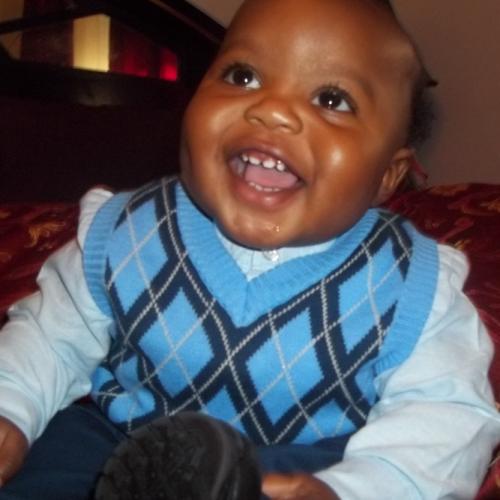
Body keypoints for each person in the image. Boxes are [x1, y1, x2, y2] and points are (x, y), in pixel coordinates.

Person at [0, 0, 499, 498]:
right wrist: (11, 407)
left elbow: (444, 414)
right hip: (127, 445)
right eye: (243, 76)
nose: (272, 109)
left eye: (331, 99)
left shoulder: (410, 286)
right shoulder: (123, 233)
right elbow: (50, 338)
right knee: (53, 457)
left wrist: (358, 488)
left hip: (308, 467)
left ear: (388, 175)